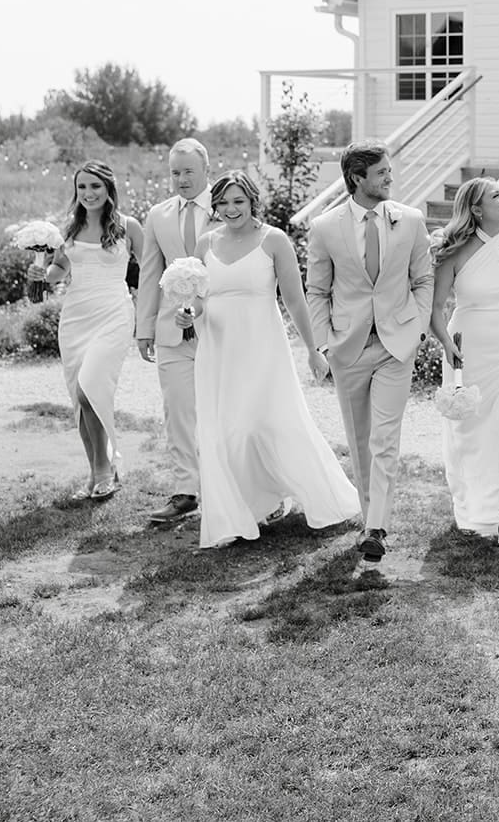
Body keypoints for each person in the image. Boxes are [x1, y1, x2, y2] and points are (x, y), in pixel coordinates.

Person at [182, 171, 360, 548]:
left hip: (263, 346)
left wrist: (314, 349)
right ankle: (243, 509)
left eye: (238, 201)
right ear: (214, 205)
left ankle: (312, 495)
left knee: (267, 422)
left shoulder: (273, 240)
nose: (231, 209)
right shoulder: (205, 244)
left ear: (252, 201)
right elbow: (198, 299)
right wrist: (187, 313)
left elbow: (294, 299)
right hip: (218, 349)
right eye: (224, 202)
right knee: (225, 432)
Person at [305, 142, 436, 565]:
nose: (389, 179)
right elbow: (317, 290)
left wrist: (416, 327)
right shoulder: (325, 227)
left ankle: (376, 527)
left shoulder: (410, 220)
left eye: (388, 172)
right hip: (349, 347)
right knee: (360, 442)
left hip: (396, 346)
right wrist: (325, 342)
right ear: (357, 178)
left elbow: (423, 279)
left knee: (384, 440)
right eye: (381, 173)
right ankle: (368, 522)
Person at [428, 177, 499, 546]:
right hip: (470, 349)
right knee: (474, 432)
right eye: (496, 196)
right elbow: (435, 307)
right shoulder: (455, 250)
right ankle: (479, 507)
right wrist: (447, 343)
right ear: (477, 209)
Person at [30, 161, 143, 501]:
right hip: (76, 317)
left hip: (114, 314)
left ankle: (106, 469)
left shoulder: (128, 227)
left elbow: (151, 268)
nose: (88, 193)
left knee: (88, 389)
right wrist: (42, 275)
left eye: (95, 186)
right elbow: (61, 268)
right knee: (79, 398)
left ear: (109, 189)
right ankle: (97, 472)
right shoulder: (69, 228)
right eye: (82, 187)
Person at [135, 137, 212, 525]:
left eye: (188, 172)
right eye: (175, 172)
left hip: (219, 327)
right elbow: (150, 272)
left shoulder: (228, 207)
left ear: (205, 172)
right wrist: (144, 326)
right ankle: (186, 491)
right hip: (170, 329)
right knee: (178, 410)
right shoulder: (158, 215)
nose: (181, 179)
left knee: (224, 409)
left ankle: (229, 487)